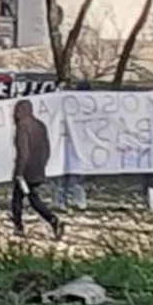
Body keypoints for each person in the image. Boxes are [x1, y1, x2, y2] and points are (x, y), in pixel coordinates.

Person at [11, 99, 64, 239]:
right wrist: (42, 164)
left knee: (20, 199)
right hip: (38, 167)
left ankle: (20, 226)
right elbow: (47, 148)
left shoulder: (23, 126)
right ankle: (52, 220)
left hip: (26, 169)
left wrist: (19, 172)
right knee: (31, 197)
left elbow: (24, 151)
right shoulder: (40, 125)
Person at [54, 81, 90, 211]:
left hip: (70, 146)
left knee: (67, 177)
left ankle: (63, 202)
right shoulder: (75, 105)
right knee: (73, 177)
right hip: (72, 146)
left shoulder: (80, 106)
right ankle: (77, 202)